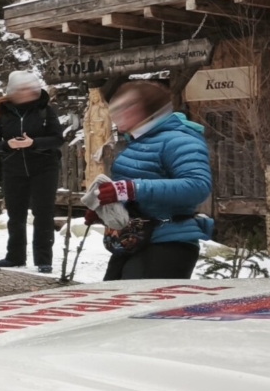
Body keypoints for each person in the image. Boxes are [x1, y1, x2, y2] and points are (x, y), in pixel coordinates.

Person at [90, 80, 214, 280]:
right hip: (134, 241)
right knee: (114, 306)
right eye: (114, 108)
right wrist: (105, 209)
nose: (115, 115)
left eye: (125, 108)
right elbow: (139, 192)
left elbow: (198, 186)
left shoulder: (179, 139)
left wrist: (130, 188)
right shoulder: (139, 140)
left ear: (147, 110)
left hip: (168, 245)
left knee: (138, 309)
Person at [0, 71, 64, 273]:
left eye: (30, 89)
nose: (27, 93)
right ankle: (15, 256)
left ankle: (44, 259)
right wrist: (8, 145)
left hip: (44, 168)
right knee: (15, 215)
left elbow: (57, 139)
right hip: (13, 168)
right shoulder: (2, 113)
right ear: (13, 92)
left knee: (43, 213)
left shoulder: (45, 110)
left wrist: (33, 143)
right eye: (22, 90)